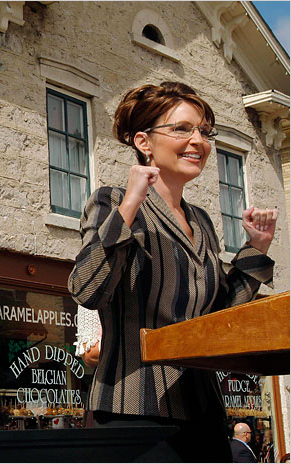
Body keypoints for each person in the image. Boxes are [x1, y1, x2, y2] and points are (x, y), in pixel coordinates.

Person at [68, 82, 277, 462]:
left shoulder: (202, 221)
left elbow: (217, 322)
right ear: (144, 142)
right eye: (182, 129)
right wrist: (130, 204)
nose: (199, 140)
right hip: (131, 409)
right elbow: (87, 290)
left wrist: (256, 249)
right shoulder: (110, 201)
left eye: (204, 131)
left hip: (204, 413)